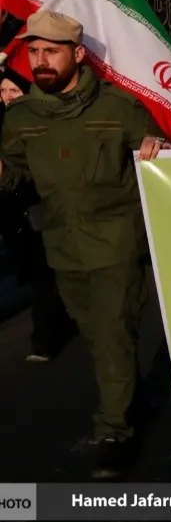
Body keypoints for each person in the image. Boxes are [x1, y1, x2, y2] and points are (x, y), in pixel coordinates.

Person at [0, 11, 170, 479]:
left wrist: (156, 147)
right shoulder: (21, 116)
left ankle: (114, 432)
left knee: (113, 334)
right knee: (98, 336)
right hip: (63, 246)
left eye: (51, 51)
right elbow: (13, 172)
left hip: (116, 242)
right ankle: (130, 398)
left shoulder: (118, 107)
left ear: (77, 54)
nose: (40, 60)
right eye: (34, 51)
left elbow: (157, 154)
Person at [0, 73, 78, 361]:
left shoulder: (38, 120)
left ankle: (43, 339)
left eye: (14, 90)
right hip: (11, 210)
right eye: (3, 90)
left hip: (39, 205)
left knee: (42, 272)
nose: (8, 96)